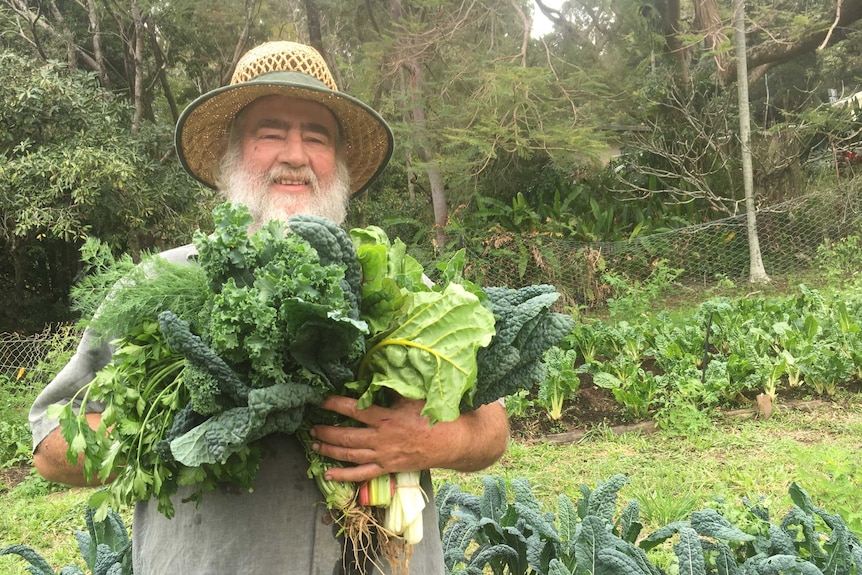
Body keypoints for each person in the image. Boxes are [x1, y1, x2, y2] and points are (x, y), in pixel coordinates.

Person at [29, 41, 510, 574]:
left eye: (317, 137)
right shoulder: (161, 285)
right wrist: (185, 423)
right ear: (234, 153)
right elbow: (51, 447)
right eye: (271, 132)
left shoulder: (397, 280)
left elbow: (492, 432)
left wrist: (427, 441)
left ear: (339, 161)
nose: (295, 155)